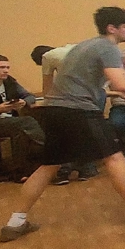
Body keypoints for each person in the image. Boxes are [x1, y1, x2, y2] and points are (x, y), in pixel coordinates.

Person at [0, 7, 125, 243]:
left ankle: (14, 223)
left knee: (49, 165)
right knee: (114, 157)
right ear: (112, 28)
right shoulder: (108, 47)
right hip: (78, 110)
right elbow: (121, 84)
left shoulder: (83, 46)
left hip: (55, 110)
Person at [31, 44, 100, 184]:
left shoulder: (48, 57)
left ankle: (64, 170)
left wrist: (46, 103)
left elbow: (47, 88)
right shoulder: (72, 48)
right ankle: (87, 169)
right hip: (96, 94)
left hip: (74, 100)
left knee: (65, 134)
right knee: (84, 132)